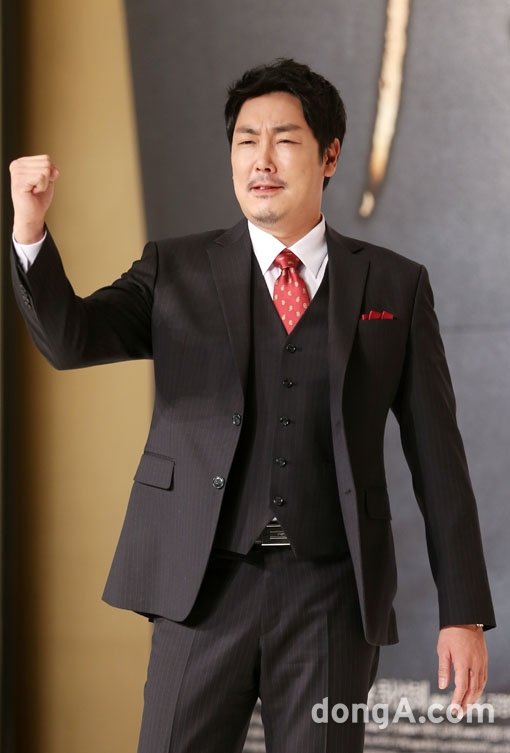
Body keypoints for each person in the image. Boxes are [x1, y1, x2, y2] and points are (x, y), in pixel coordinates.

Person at [9, 58, 495, 753]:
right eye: (245, 140)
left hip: (331, 596)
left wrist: (463, 612)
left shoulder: (395, 285)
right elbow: (71, 340)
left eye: (285, 140)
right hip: (201, 588)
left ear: (330, 156)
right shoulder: (174, 270)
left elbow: (439, 461)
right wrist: (30, 229)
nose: (261, 160)